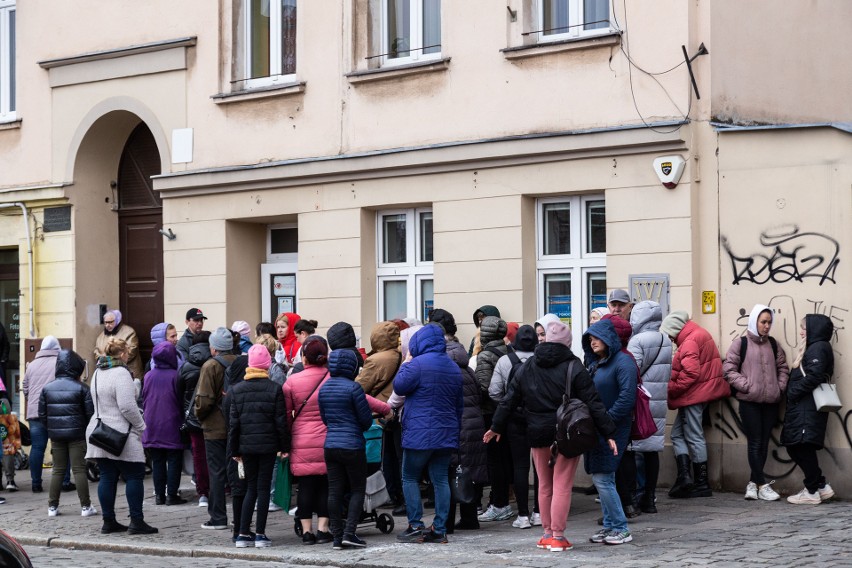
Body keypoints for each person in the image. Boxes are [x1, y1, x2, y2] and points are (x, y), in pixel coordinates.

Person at [485, 321, 617, 552]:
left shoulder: (529, 365)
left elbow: (509, 399)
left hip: (536, 432)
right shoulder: (574, 366)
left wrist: (496, 426)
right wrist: (609, 432)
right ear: (568, 343)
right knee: (562, 485)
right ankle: (558, 535)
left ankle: (546, 534)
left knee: (544, 485)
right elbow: (593, 402)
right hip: (566, 433)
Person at [392, 324, 463, 544]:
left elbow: (399, 386)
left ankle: (415, 526)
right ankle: (440, 529)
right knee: (440, 479)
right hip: (446, 433)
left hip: (419, 434)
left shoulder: (417, 365)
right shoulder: (453, 367)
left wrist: (405, 363)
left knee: (410, 476)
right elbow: (458, 406)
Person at [319, 349, 391, 549]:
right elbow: (366, 421)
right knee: (357, 488)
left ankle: (336, 536)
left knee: (334, 491)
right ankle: (350, 533)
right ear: (352, 366)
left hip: (331, 444)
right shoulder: (354, 388)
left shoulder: (324, 389)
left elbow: (325, 419)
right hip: (352, 445)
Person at [85, 337, 157, 535]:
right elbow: (126, 406)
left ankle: (108, 521)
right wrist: (141, 426)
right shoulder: (121, 373)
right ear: (124, 353)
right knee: (134, 475)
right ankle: (137, 521)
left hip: (99, 432)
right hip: (120, 433)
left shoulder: (98, 372)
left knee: (107, 476)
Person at [723, 304, 789, 501]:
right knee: (755, 442)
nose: (767, 326)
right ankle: (761, 484)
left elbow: (783, 368)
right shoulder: (740, 344)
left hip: (770, 402)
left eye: (769, 322)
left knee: (763, 443)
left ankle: (753, 484)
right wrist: (747, 386)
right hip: (749, 402)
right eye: (763, 322)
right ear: (754, 322)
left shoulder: (774, 344)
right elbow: (728, 369)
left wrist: (779, 388)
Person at [661, 311, 729, 499]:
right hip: (701, 393)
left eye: (670, 333)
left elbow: (691, 373)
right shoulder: (698, 334)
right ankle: (686, 477)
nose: (670, 338)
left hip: (695, 395)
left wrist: (672, 388)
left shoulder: (690, 340)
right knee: (677, 434)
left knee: (693, 435)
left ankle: (701, 482)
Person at [431, 309, 487, 533]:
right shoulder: (465, 363)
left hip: (452, 424)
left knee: (447, 470)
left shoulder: (441, 366)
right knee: (467, 471)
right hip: (472, 424)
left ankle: (445, 521)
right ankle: (470, 518)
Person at [582, 319, 637, 546]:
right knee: (603, 477)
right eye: (590, 338)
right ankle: (610, 526)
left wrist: (607, 422)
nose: (593, 342)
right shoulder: (599, 363)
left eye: (596, 337)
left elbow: (627, 398)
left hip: (613, 428)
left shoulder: (623, 362)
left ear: (608, 339)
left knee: (603, 477)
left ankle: (621, 527)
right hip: (599, 428)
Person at [230, 344, 289, 548]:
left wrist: (234, 451)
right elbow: (281, 422)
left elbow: (234, 424)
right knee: (263, 489)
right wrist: (284, 446)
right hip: (268, 446)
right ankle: (260, 534)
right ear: (266, 365)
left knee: (250, 489)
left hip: (246, 447)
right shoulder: (274, 389)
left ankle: (243, 533)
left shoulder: (237, 390)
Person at [488, 324, 540, 529]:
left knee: (520, 466)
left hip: (513, 421)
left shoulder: (505, 361)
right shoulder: (542, 359)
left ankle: (523, 515)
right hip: (538, 419)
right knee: (540, 468)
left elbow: (493, 391)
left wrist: (506, 408)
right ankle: (539, 512)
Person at [781, 314, 836, 505]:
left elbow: (814, 376)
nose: (801, 331)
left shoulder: (818, 347)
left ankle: (812, 491)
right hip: (804, 408)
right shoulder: (816, 347)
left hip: (807, 408)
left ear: (814, 329)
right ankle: (820, 486)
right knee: (798, 446)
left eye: (804, 327)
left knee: (800, 447)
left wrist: (793, 391)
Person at [283, 335, 332, 545]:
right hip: (327, 437)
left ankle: (306, 532)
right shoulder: (332, 377)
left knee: (305, 487)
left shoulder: (291, 381)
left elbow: (285, 415)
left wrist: (284, 442)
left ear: (304, 358)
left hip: (301, 439)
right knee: (325, 485)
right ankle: (323, 529)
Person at [626, 301, 672, 513]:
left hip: (641, 402)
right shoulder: (665, 339)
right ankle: (650, 498)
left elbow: (632, 371)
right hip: (659, 400)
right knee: (652, 450)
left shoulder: (637, 341)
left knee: (636, 450)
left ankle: (638, 494)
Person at [38, 349, 95, 517]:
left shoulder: (47, 389)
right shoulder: (82, 388)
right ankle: (85, 506)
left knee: (58, 470)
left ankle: (52, 507)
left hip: (56, 435)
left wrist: (51, 428)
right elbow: (90, 414)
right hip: (77, 435)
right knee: (79, 470)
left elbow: (42, 414)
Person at [194, 327, 238, 530]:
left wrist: (198, 415)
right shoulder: (239, 362)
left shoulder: (210, 366)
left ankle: (218, 517)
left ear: (214, 348)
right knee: (237, 472)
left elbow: (204, 400)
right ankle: (240, 517)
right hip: (236, 425)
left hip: (214, 427)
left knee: (217, 472)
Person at [474, 316, 514, 523]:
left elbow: (484, 388)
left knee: (495, 461)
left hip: (491, 414)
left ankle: (498, 503)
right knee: (507, 459)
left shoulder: (485, 355)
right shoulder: (511, 351)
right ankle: (503, 501)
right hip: (510, 412)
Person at [141, 341, 187, 506]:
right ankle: (171, 495)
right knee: (174, 459)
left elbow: (143, 398)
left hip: (151, 423)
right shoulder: (176, 375)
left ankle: (159, 495)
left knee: (157, 460)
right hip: (172, 422)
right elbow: (181, 400)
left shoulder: (148, 376)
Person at [176, 330, 212, 507]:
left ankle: (203, 491)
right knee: (216, 453)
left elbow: (178, 391)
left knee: (198, 455)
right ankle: (222, 487)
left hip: (193, 418)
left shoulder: (186, 365)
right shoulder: (216, 363)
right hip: (215, 417)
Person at [22, 336, 61, 493]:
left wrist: (32, 400)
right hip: (56, 411)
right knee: (60, 447)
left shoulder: (31, 365)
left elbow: (25, 387)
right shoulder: (60, 362)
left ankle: (36, 483)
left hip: (35, 412)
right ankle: (64, 481)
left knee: (37, 447)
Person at [94, 310, 143, 380]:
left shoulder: (129, 332)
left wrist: (111, 362)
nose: (107, 325)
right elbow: (97, 352)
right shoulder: (101, 336)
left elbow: (132, 351)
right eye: (106, 322)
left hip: (130, 373)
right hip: (109, 375)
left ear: (117, 321)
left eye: (110, 322)